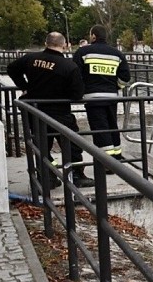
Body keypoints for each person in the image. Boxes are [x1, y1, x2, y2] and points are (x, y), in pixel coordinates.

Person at [7, 32, 94, 188]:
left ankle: (47, 176)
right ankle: (77, 175)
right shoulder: (68, 66)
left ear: (45, 43)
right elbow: (77, 94)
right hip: (59, 111)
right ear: (64, 45)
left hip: (35, 110)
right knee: (71, 144)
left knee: (41, 145)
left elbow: (11, 68)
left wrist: (25, 87)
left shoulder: (31, 59)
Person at [72, 25, 131, 161]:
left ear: (93, 36)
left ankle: (106, 161)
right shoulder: (117, 54)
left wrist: (80, 91)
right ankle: (117, 155)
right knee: (112, 125)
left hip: (92, 97)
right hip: (112, 97)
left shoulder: (83, 52)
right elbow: (125, 77)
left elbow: (75, 75)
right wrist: (116, 87)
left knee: (100, 129)